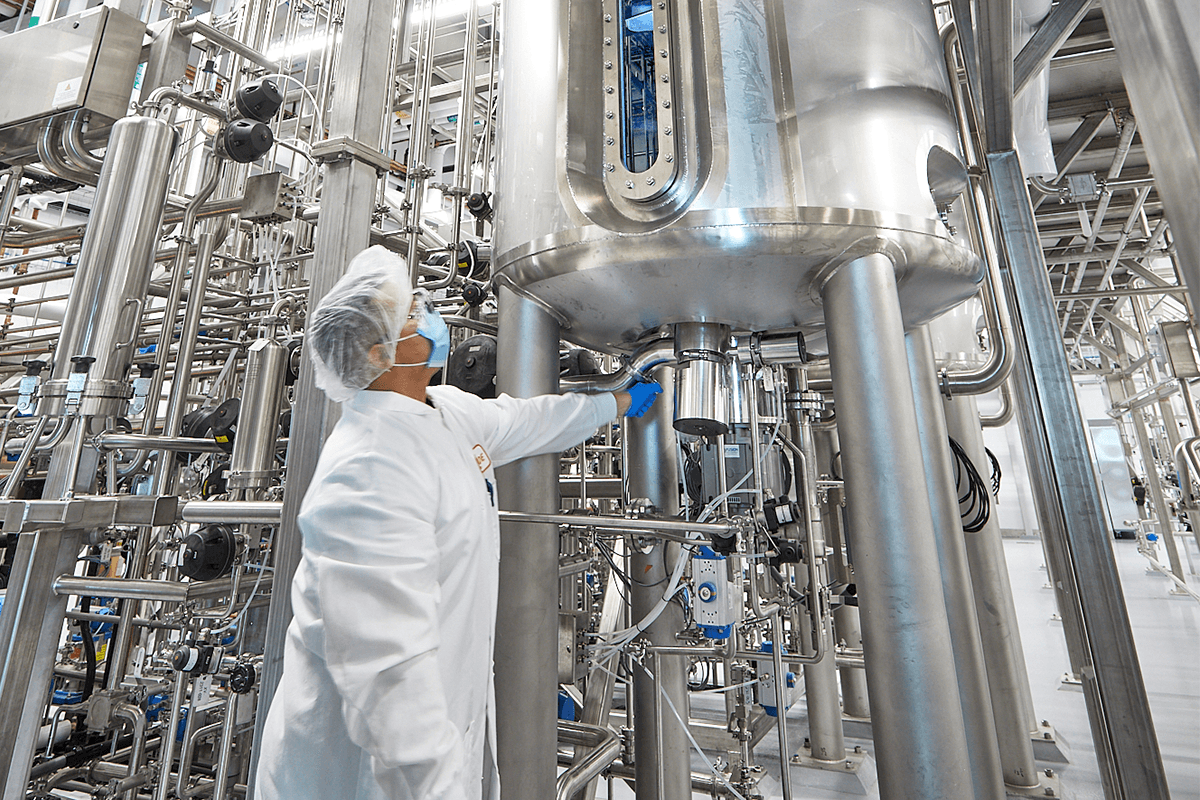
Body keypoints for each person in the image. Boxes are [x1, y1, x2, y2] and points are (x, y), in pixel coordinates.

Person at [255, 246, 660, 800]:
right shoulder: (367, 468)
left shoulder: (442, 408)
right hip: (365, 770)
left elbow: (525, 421)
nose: (429, 311)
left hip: (440, 721)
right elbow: (388, 675)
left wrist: (615, 402)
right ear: (380, 352)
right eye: (412, 312)